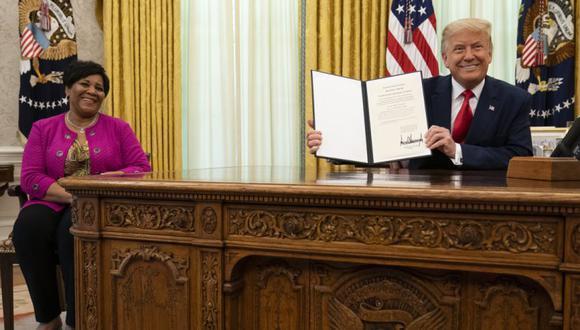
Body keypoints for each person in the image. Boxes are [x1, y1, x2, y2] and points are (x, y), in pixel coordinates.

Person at [13, 60, 151, 329]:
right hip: (52, 199)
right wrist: (74, 195)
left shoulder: (119, 128)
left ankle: (80, 320)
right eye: (84, 84)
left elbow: (142, 168)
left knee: (74, 232)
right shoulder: (43, 128)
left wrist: (113, 179)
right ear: (68, 89)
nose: (92, 91)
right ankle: (48, 317)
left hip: (99, 206)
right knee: (28, 228)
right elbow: (30, 177)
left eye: (99, 88)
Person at [307, 18, 533, 170]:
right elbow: (379, 143)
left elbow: (520, 158)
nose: (469, 56)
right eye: (459, 49)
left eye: (477, 47)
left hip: (490, 205)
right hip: (423, 202)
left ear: (490, 53)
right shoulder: (418, 92)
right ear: (445, 58)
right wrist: (332, 142)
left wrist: (458, 150)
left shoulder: (514, 99)